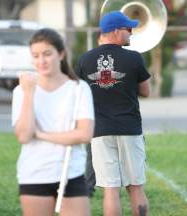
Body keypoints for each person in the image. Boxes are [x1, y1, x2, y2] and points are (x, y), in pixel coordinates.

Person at [12, 28, 94, 216]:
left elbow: (84, 134)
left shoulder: (79, 88)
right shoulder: (21, 91)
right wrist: (29, 94)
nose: (41, 61)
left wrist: (41, 134)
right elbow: (24, 135)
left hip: (70, 173)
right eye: (36, 56)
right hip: (34, 174)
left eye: (47, 54)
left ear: (61, 54)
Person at [76, 11, 151, 216]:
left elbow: (79, 94)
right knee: (135, 187)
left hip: (99, 131)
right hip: (129, 129)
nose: (131, 33)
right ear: (116, 31)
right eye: (128, 29)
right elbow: (146, 91)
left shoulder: (85, 60)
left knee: (111, 189)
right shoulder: (134, 58)